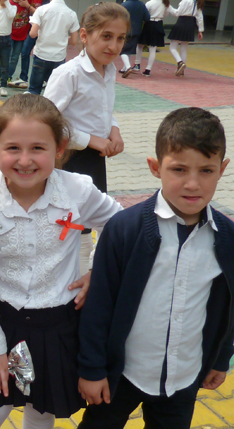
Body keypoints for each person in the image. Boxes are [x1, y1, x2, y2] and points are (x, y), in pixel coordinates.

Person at [0, 94, 122, 429]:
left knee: (42, 410)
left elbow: (117, 223)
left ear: (59, 148)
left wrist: (96, 269)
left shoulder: (78, 190)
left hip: (59, 325)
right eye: (13, 148)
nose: (25, 160)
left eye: (38, 148)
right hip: (4, 326)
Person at [78, 107, 234, 429]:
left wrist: (220, 357)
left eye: (206, 171)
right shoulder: (124, 229)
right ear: (154, 167)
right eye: (179, 169)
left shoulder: (228, 237)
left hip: (183, 377)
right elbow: (99, 305)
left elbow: (227, 306)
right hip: (122, 374)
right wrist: (91, 369)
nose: (192, 184)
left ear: (222, 170)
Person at [44, 2, 128, 269]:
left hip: (95, 159)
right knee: (73, 223)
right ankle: (72, 277)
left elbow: (103, 110)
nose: (113, 46)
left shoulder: (109, 70)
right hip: (70, 160)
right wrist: (92, 140)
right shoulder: (69, 73)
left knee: (96, 214)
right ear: (84, 36)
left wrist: (113, 130)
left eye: (120, 38)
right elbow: (47, 121)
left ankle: (91, 272)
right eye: (106, 36)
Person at [26, 0, 79, 95]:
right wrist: (62, 37)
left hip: (41, 55)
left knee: (34, 90)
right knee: (54, 92)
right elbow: (74, 41)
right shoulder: (71, 14)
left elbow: (32, 34)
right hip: (58, 58)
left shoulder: (41, 10)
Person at [8, 0, 48, 89]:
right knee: (25, 52)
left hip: (42, 30)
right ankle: (24, 78)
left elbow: (44, 16)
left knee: (41, 55)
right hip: (31, 28)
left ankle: (44, 79)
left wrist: (28, 7)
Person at [167, 0, 204, 77]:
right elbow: (199, 17)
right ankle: (181, 71)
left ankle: (180, 63)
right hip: (190, 25)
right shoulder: (197, 2)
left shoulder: (185, 1)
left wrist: (168, 6)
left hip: (181, 23)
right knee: (184, 48)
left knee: (172, 47)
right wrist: (200, 30)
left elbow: (176, 13)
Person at [135, 0, 170, 77]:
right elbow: (166, 14)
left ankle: (137, 64)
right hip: (159, 24)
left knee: (140, 45)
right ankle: (148, 69)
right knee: (152, 48)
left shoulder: (149, 3)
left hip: (149, 24)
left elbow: (145, 15)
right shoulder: (164, 3)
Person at [4, 0, 31, 87]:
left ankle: (9, 76)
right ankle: (3, 76)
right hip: (10, 35)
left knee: (15, 57)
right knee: (7, 56)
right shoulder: (9, 3)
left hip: (21, 36)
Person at [119, 0, 149, 77]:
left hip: (126, 31)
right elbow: (147, 17)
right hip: (137, 32)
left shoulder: (124, 5)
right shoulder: (141, 5)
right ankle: (124, 67)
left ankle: (127, 67)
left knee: (123, 50)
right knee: (129, 50)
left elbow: (119, 17)